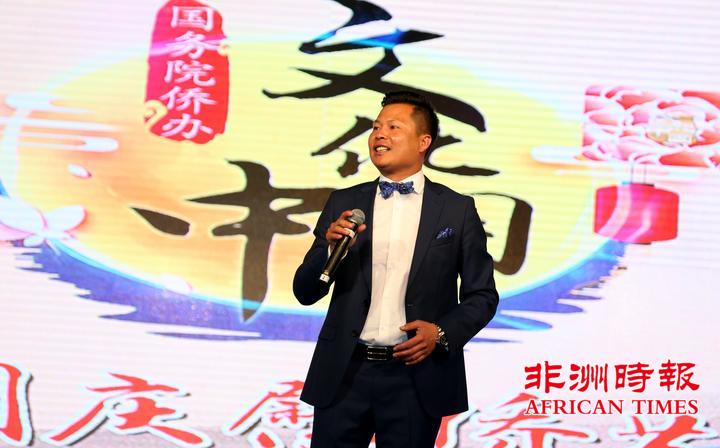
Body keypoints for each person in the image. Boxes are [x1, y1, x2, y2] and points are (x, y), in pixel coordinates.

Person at [293, 90, 498, 447]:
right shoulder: (345, 202)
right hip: (345, 372)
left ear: (423, 142)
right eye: (375, 127)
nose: (379, 135)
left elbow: (482, 295)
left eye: (393, 127)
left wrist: (441, 333)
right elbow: (306, 291)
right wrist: (328, 246)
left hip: (415, 376)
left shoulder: (456, 210)